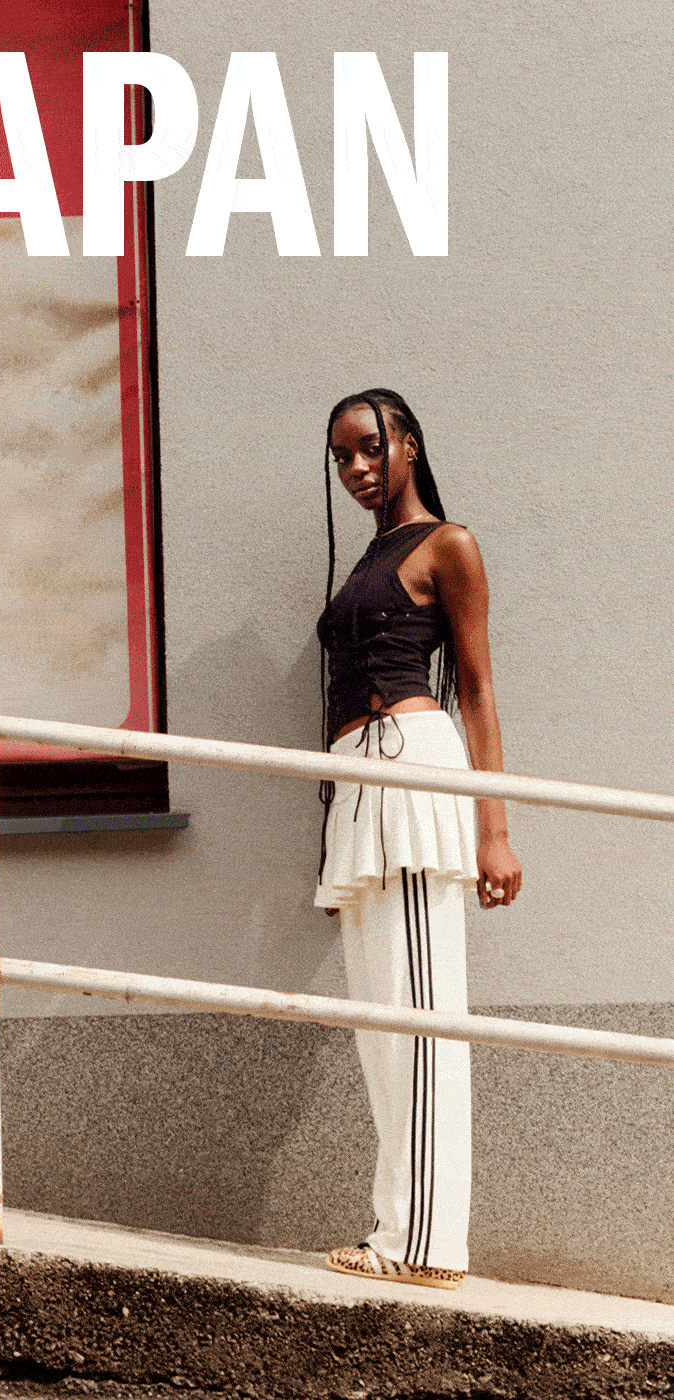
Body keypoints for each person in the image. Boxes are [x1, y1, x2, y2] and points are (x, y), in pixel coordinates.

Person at [314, 388, 521, 1290]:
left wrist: (496, 832)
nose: (358, 469)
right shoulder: (370, 555)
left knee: (423, 1018)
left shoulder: (450, 545)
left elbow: (476, 690)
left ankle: (431, 1247)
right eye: (341, 459)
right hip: (359, 781)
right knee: (379, 1022)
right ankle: (395, 1228)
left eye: (369, 449)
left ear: (408, 442)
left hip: (416, 771)